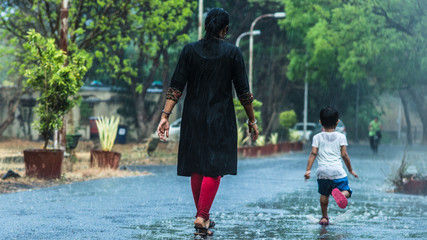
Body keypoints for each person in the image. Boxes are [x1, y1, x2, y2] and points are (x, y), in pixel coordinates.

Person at [156, 8, 259, 236]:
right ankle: (202, 216)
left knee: (197, 165)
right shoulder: (233, 53)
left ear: (205, 26)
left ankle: (204, 217)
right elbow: (244, 93)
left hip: (193, 117)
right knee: (214, 166)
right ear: (226, 29)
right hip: (220, 117)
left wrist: (165, 116)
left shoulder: (189, 51)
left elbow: (176, 87)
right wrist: (252, 120)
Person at [304, 106, 358, 225]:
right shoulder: (341, 137)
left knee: (324, 194)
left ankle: (324, 217)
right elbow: (344, 155)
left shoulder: (317, 137)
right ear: (337, 122)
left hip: (322, 172)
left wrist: (308, 170)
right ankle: (341, 194)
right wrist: (350, 170)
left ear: (320, 122)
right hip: (337, 172)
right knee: (348, 191)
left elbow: (313, 153)